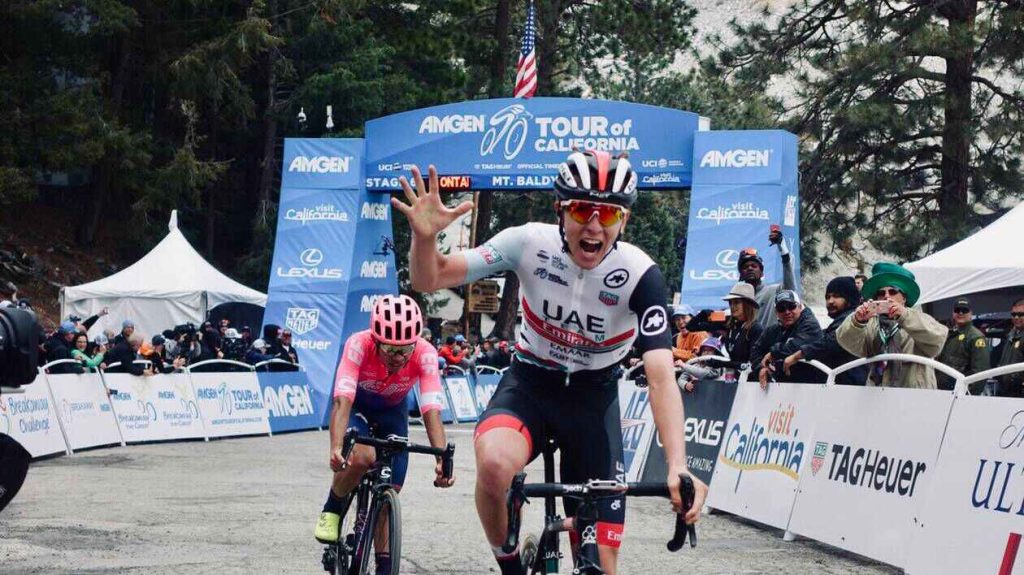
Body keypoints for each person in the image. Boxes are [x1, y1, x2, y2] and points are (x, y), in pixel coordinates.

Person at [391, 151, 706, 575]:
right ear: (560, 210)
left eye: (609, 215)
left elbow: (661, 377)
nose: (594, 226)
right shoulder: (527, 242)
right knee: (496, 463)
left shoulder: (640, 274)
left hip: (594, 400)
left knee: (601, 567)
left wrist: (677, 465)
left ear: (624, 221)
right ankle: (510, 563)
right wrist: (425, 238)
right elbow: (431, 278)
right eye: (581, 210)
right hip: (531, 387)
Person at [314, 295, 453, 575]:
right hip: (358, 408)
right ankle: (332, 507)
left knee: (391, 487)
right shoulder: (358, 345)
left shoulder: (425, 353)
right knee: (362, 457)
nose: (398, 358)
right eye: (390, 349)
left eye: (405, 350)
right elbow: (342, 401)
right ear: (376, 340)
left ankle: (385, 566)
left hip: (392, 413)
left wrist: (440, 458)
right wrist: (336, 447)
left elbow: (431, 410)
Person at [836, 262, 947, 388]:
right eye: (881, 293)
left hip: (914, 396)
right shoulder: (870, 322)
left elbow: (937, 340)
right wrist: (857, 321)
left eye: (893, 291)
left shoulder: (918, 318)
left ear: (904, 298)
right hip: (878, 395)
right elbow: (845, 340)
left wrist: (904, 316)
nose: (886, 296)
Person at [782, 276, 869, 386]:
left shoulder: (852, 319)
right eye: (828, 297)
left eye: (837, 296)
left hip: (847, 388)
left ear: (850, 299)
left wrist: (797, 356)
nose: (830, 301)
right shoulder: (841, 320)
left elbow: (833, 341)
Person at [752, 290, 825, 387]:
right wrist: (760, 368)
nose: (787, 312)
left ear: (800, 307)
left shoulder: (810, 324)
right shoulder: (772, 330)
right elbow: (755, 350)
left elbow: (799, 344)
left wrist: (773, 353)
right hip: (783, 387)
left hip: (811, 387)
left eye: (791, 306)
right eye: (781, 309)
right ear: (776, 313)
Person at [736, 227, 797, 329]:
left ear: (762, 273)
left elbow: (790, 289)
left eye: (754, 266)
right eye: (745, 267)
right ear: (741, 274)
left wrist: (784, 253)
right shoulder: (738, 299)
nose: (750, 268)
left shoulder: (773, 291)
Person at [936, 298, 990, 392]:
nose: (960, 313)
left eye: (964, 310)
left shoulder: (976, 337)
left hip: (961, 396)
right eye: (957, 310)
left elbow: (980, 373)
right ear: (953, 313)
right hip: (944, 393)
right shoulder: (949, 334)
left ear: (970, 313)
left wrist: (968, 396)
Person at [721, 282, 764, 380]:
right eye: (730, 303)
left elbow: (751, 364)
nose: (732, 306)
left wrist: (721, 363)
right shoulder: (731, 326)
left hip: (752, 383)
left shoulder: (756, 328)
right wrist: (702, 315)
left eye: (736, 302)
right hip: (733, 379)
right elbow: (691, 327)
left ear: (747, 304)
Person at [995, 299, 1024, 397]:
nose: (1016, 317)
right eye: (1014, 314)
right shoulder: (1010, 335)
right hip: (1005, 390)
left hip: (1020, 392)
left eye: (1020, 314)